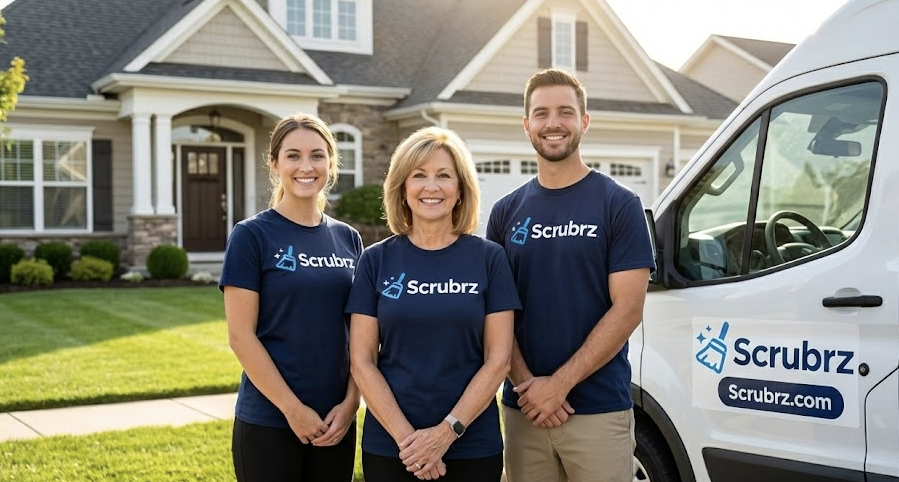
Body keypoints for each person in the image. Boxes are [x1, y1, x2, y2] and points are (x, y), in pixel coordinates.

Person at [486, 69, 655, 482]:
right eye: (541, 113)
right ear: (527, 124)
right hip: (524, 409)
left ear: (584, 120)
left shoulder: (619, 204)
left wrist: (558, 385)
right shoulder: (505, 212)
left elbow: (628, 309)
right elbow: (495, 315)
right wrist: (530, 387)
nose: (553, 123)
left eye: (565, 111)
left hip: (597, 409)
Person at [346, 126, 520, 482]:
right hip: (393, 446)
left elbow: (499, 359)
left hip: (472, 444)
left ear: (460, 190)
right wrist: (410, 442)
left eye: (444, 176)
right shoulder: (376, 260)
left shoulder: (489, 259)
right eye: (419, 176)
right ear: (402, 188)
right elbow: (362, 361)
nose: (431, 187)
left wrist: (444, 434)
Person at [220, 113, 363, 482]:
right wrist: (292, 409)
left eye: (317, 155)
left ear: (331, 164)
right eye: (293, 155)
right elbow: (240, 336)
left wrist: (350, 404)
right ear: (275, 163)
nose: (306, 166)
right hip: (270, 419)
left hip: (335, 422)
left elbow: (361, 336)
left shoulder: (349, 239)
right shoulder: (251, 235)